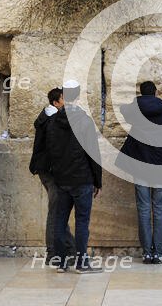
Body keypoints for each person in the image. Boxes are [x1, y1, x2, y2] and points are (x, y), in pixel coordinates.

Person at [118, 81, 162, 264]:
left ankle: (147, 253)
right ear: (157, 92)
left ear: (141, 93)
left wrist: (136, 102)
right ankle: (159, 253)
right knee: (159, 209)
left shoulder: (134, 111)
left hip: (140, 165)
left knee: (143, 208)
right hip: (160, 166)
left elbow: (123, 110)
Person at [46, 80, 102, 273]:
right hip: (81, 178)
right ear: (77, 96)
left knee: (60, 221)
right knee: (82, 222)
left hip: (61, 179)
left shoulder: (53, 122)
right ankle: (81, 263)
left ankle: (61, 262)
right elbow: (93, 152)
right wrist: (97, 180)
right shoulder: (84, 120)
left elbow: (51, 151)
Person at [29, 87, 76, 265]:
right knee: (56, 211)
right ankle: (55, 252)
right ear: (56, 102)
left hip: (50, 169)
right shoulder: (51, 119)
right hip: (50, 170)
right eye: (65, 99)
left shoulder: (51, 116)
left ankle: (69, 249)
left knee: (58, 209)